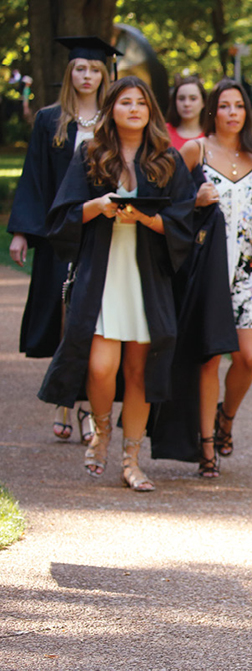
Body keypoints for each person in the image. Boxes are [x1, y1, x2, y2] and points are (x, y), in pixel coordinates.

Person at [38, 76, 196, 492]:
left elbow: (183, 222)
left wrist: (143, 217)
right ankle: (102, 430)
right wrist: (98, 205)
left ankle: (131, 459)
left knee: (140, 370)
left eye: (141, 103)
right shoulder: (91, 155)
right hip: (102, 275)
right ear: (111, 109)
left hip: (145, 278)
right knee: (100, 366)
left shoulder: (166, 160)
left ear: (151, 111)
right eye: (125, 102)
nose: (134, 109)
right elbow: (62, 216)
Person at [8, 36, 117, 445]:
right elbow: (34, 176)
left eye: (94, 70)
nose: (87, 76)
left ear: (104, 75)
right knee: (63, 317)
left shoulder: (114, 119)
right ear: (70, 73)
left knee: (94, 319)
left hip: (102, 230)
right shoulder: (49, 120)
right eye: (80, 69)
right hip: (60, 231)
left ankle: (85, 403)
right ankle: (63, 400)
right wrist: (22, 230)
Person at [177, 79, 252, 476]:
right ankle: (206, 446)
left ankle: (227, 417)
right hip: (208, 267)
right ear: (212, 111)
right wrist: (194, 200)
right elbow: (169, 199)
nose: (232, 113)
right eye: (224, 106)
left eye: (238, 106)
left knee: (247, 358)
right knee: (209, 360)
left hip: (248, 270)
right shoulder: (196, 150)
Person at [165, 75, 205, 150]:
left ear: (203, 102)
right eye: (181, 99)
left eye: (193, 99)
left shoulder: (212, 136)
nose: (186, 104)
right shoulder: (162, 132)